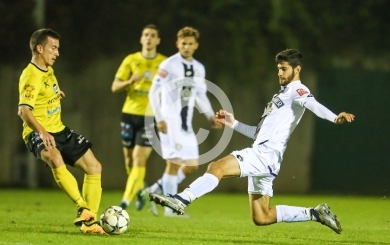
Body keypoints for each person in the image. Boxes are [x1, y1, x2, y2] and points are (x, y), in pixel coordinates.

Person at [149, 49, 355, 233]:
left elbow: (313, 104)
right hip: (268, 156)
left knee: (216, 167)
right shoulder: (282, 96)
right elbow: (259, 133)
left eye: (284, 69)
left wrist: (335, 117)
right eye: (278, 69)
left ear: (297, 69)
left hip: (264, 154)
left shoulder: (297, 90)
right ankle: (315, 213)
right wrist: (233, 123)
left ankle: (181, 199)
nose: (280, 73)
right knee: (262, 217)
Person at [18, 28, 106, 234]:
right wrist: (41, 132)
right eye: (53, 48)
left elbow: (46, 89)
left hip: (59, 129)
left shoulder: (47, 70)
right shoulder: (30, 75)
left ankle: (89, 223)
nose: (57, 53)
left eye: (58, 48)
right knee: (56, 159)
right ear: (39, 48)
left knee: (94, 167)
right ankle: (82, 207)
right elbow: (23, 111)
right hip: (38, 133)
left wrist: (56, 93)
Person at [141, 26, 222, 217]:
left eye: (190, 44)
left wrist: (210, 115)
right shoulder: (168, 65)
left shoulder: (199, 68)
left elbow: (201, 93)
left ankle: (152, 190)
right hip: (169, 120)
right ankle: (170, 209)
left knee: (192, 165)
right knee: (175, 162)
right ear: (178, 44)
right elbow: (154, 91)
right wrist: (159, 117)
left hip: (187, 124)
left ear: (196, 46)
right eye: (183, 43)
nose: (186, 47)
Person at [111, 24, 166, 210]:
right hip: (129, 114)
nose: (149, 38)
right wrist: (129, 81)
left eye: (152, 35)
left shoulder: (165, 63)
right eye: (146, 35)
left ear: (158, 40)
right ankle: (142, 190)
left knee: (139, 159)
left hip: (150, 118)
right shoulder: (131, 60)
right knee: (129, 161)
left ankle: (125, 201)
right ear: (141, 39)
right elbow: (114, 87)